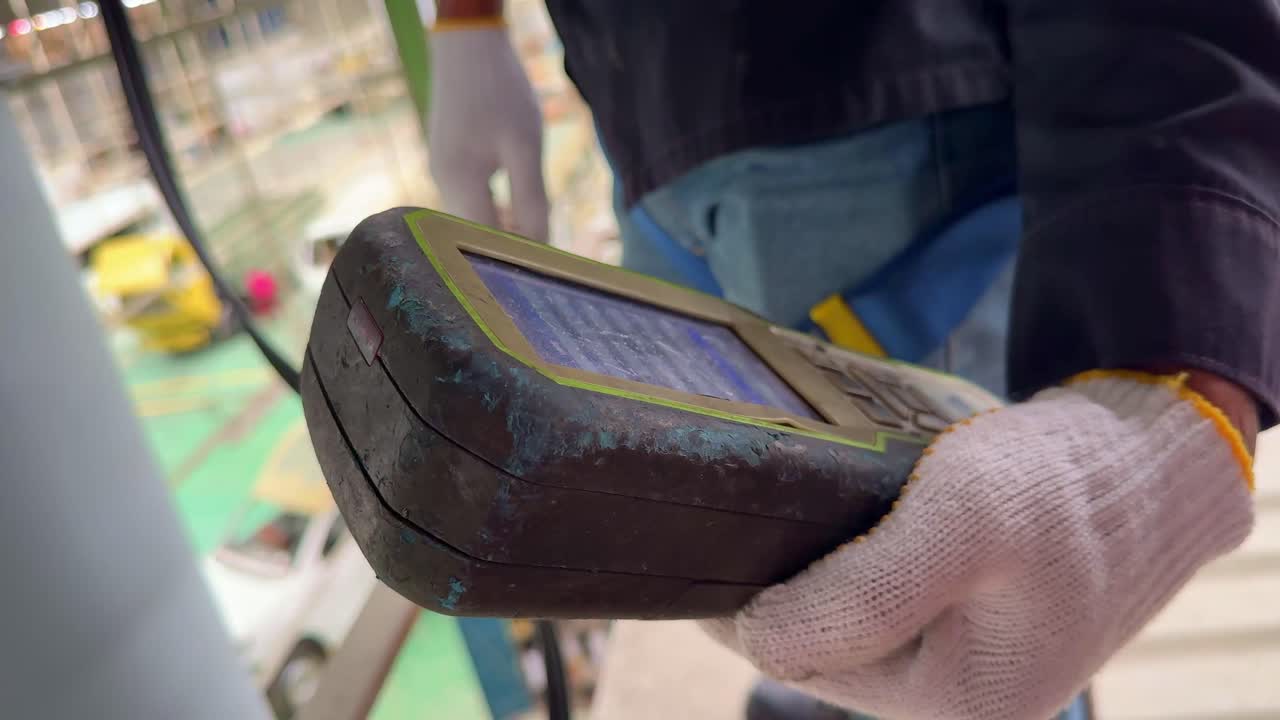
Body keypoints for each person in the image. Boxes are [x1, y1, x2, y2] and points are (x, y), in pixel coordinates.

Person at [425, 2, 1278, 718]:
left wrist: (1177, 379)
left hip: (878, 112)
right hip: (642, 133)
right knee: (785, 561)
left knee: (966, 611)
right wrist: (469, 17)